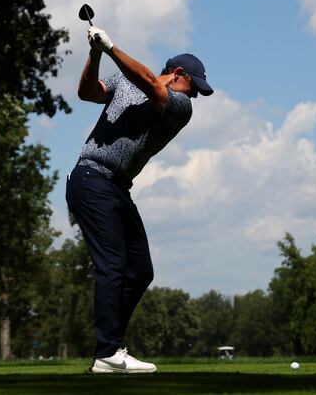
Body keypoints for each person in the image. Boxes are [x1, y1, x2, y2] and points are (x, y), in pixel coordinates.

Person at [66, 24, 213, 374]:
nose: (194, 98)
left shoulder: (179, 107)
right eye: (194, 87)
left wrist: (112, 47)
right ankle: (108, 352)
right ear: (179, 74)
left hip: (117, 187)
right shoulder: (126, 83)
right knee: (113, 265)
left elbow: (148, 82)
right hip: (90, 177)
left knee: (140, 270)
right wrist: (95, 54)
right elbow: (87, 92)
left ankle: (111, 348)